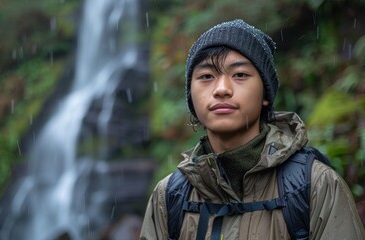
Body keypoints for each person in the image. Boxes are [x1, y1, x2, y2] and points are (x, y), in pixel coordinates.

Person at [140, 19, 365, 239]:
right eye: (206, 76)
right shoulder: (170, 196)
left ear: (265, 94)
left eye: (240, 75)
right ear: (191, 97)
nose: (221, 89)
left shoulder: (315, 186)